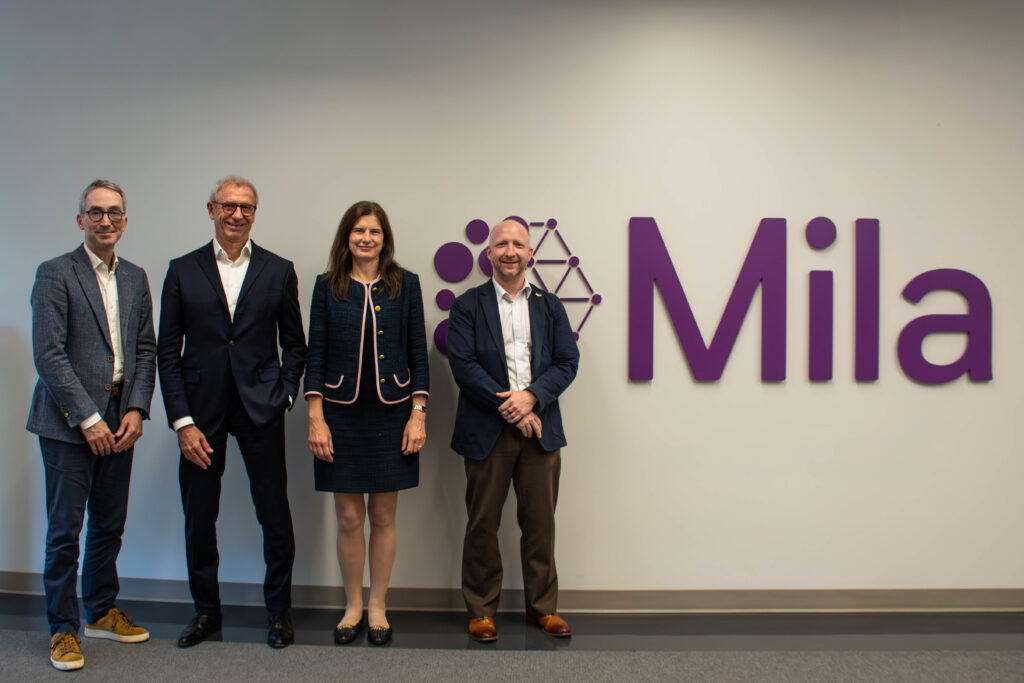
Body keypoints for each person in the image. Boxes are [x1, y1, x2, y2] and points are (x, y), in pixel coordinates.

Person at [157, 176, 306, 649]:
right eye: (228, 206)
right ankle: (206, 614)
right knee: (199, 517)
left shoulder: (279, 270)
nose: (236, 215)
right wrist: (181, 421)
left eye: (245, 207)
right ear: (211, 210)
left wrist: (283, 395)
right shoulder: (181, 270)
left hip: (261, 409)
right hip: (199, 416)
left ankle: (279, 613)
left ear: (255, 213)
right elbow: (166, 351)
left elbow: (295, 346)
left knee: (275, 515)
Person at [27, 180, 156, 670]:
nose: (107, 221)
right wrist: (88, 417)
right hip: (67, 424)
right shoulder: (55, 274)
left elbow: (145, 349)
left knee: (110, 524)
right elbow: (49, 355)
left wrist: (135, 410)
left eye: (115, 213)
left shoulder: (137, 277)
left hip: (121, 419)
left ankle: (100, 610)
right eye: (96, 212)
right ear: (80, 219)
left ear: (125, 220)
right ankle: (63, 628)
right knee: (65, 530)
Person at [447, 218, 579, 642]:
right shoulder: (467, 305)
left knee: (541, 523)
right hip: (487, 430)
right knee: (482, 523)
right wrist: (515, 406)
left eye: (517, 244)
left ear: (529, 254)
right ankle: (482, 611)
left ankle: (543, 608)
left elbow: (566, 362)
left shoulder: (550, 305)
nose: (509, 251)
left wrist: (532, 397)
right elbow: (464, 366)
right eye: (501, 244)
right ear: (488, 253)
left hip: (541, 430)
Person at [305, 201, 428, 646]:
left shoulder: (406, 285)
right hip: (339, 413)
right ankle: (352, 605)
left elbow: (418, 351)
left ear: (384, 238)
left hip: (393, 412)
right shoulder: (326, 287)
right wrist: (315, 418)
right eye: (358, 230)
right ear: (347, 237)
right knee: (350, 517)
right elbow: (314, 353)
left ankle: (378, 606)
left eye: (374, 231)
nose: (366, 238)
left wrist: (418, 413)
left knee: (383, 514)